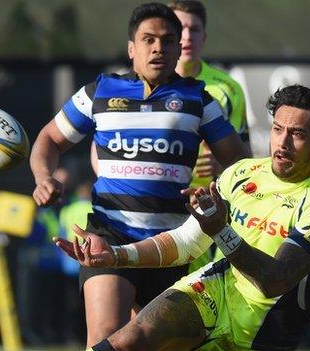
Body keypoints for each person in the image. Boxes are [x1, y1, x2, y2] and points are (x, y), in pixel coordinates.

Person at [55, 84, 310, 350]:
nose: (283, 143)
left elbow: (275, 281)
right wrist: (116, 256)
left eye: (298, 134)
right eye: (278, 130)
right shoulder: (244, 173)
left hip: (263, 330)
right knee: (127, 341)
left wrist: (221, 230)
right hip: (211, 293)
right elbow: (188, 242)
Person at [29, 2, 248, 347]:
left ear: (178, 48)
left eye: (167, 40)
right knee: (104, 339)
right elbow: (48, 139)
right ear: (132, 48)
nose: (158, 47)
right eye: (148, 39)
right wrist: (44, 176)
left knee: (148, 344)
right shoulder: (99, 93)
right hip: (108, 233)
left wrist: (214, 189)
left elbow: (239, 164)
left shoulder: (199, 101)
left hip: (168, 245)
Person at [169, 0, 251, 187]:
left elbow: (246, 160)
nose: (187, 36)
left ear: (204, 37)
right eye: (181, 28)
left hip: (205, 200)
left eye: (195, 29)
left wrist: (223, 164)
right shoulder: (148, 83)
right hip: (155, 198)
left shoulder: (229, 89)